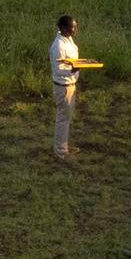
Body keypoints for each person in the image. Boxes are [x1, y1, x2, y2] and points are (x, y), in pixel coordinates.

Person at [48, 14, 82, 159]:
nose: (75, 29)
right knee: (63, 118)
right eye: (72, 27)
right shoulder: (58, 46)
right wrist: (73, 69)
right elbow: (58, 69)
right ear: (63, 28)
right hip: (64, 87)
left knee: (66, 118)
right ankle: (61, 151)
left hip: (70, 84)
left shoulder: (68, 39)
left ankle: (63, 145)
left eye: (75, 26)